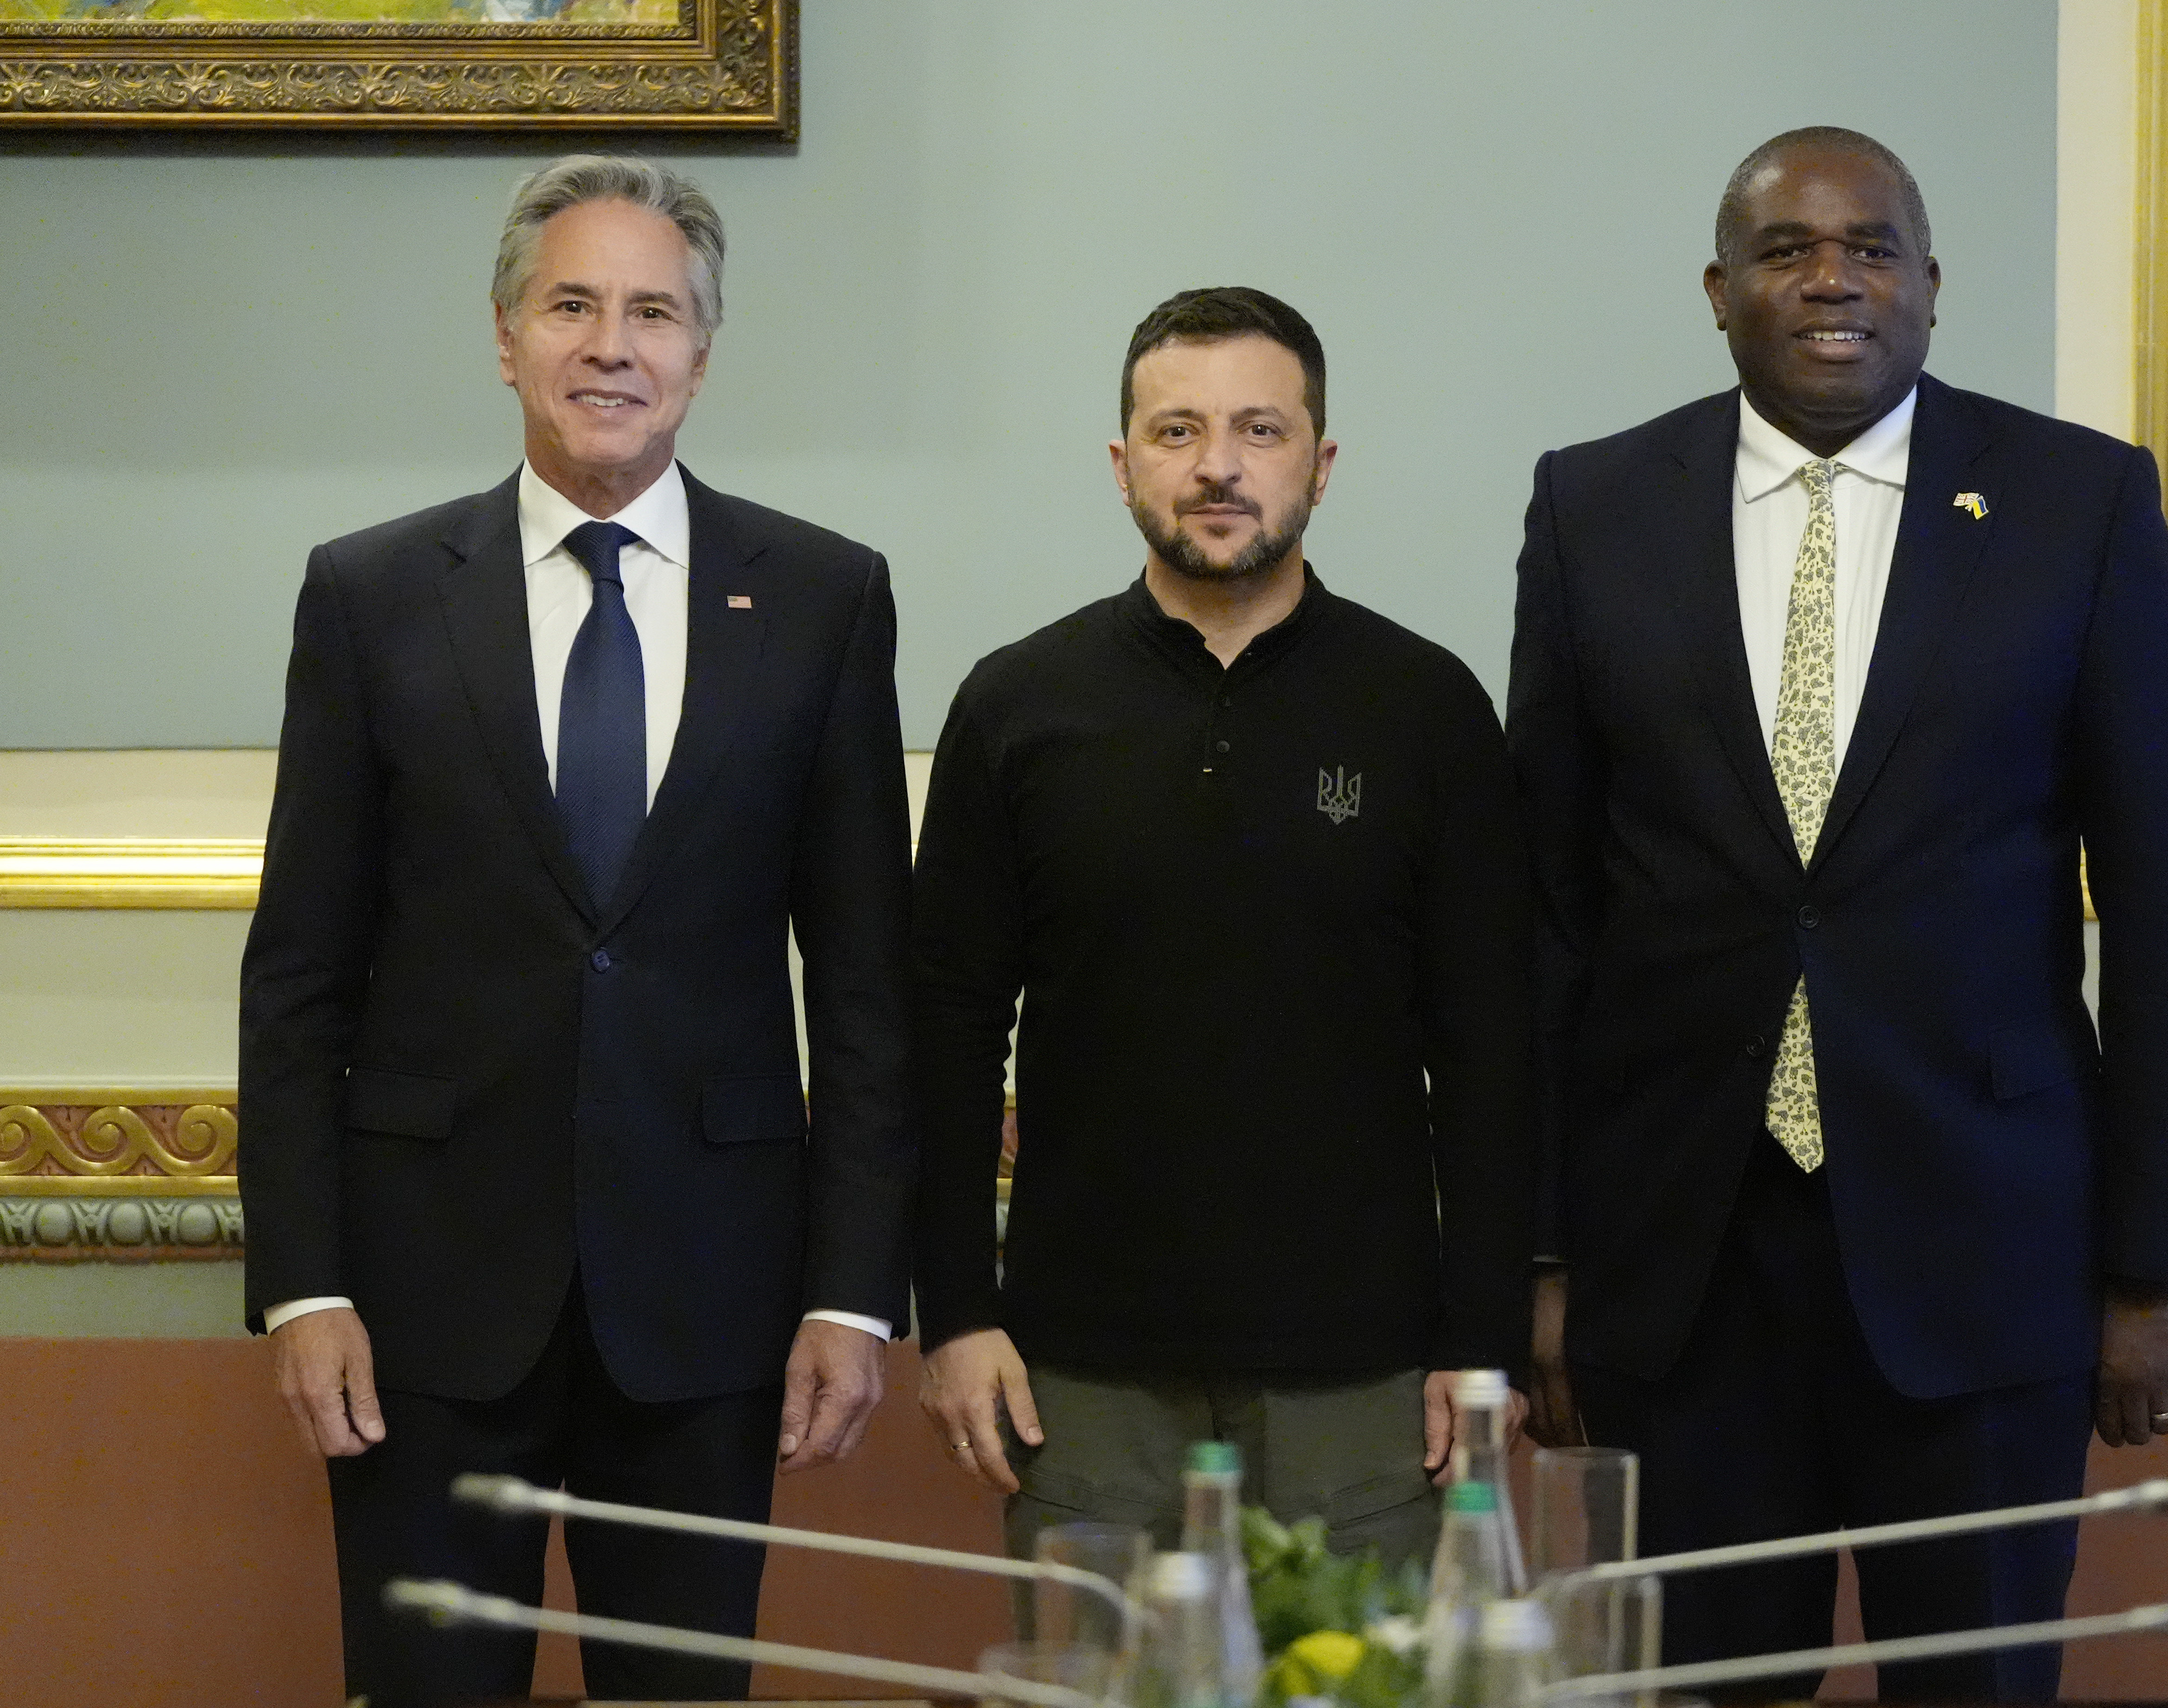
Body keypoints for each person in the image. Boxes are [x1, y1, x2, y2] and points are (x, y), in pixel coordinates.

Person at [1508, 127, 2168, 1702]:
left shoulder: (2075, 503)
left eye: (1872, 246)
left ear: (1929, 286)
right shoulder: (1594, 506)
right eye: (1784, 249)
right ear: (1718, 292)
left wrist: (2152, 1265)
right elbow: (1547, 911)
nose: (1831, 278)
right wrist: (1542, 1254)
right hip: (1680, 1267)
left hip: (1987, 1256)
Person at [238, 155, 914, 1708]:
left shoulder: (819, 597)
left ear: (700, 352)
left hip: (713, 1302)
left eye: (653, 312)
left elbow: (868, 977)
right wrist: (305, 1283)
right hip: (422, 1309)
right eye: (571, 305)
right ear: (504, 338)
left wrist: (850, 1287)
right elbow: (298, 976)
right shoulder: (373, 595)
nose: (612, 345)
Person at [910, 286, 1532, 1565]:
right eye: (1177, 430)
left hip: (1365, 1381)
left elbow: (1491, 1050)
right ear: (1121, 460)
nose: (1218, 467)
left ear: (1321, 461)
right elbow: (948, 1032)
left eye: (1259, 429)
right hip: (1078, 1374)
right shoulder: (1018, 706)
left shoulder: (1424, 708)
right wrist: (957, 1311)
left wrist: (1482, 1341)